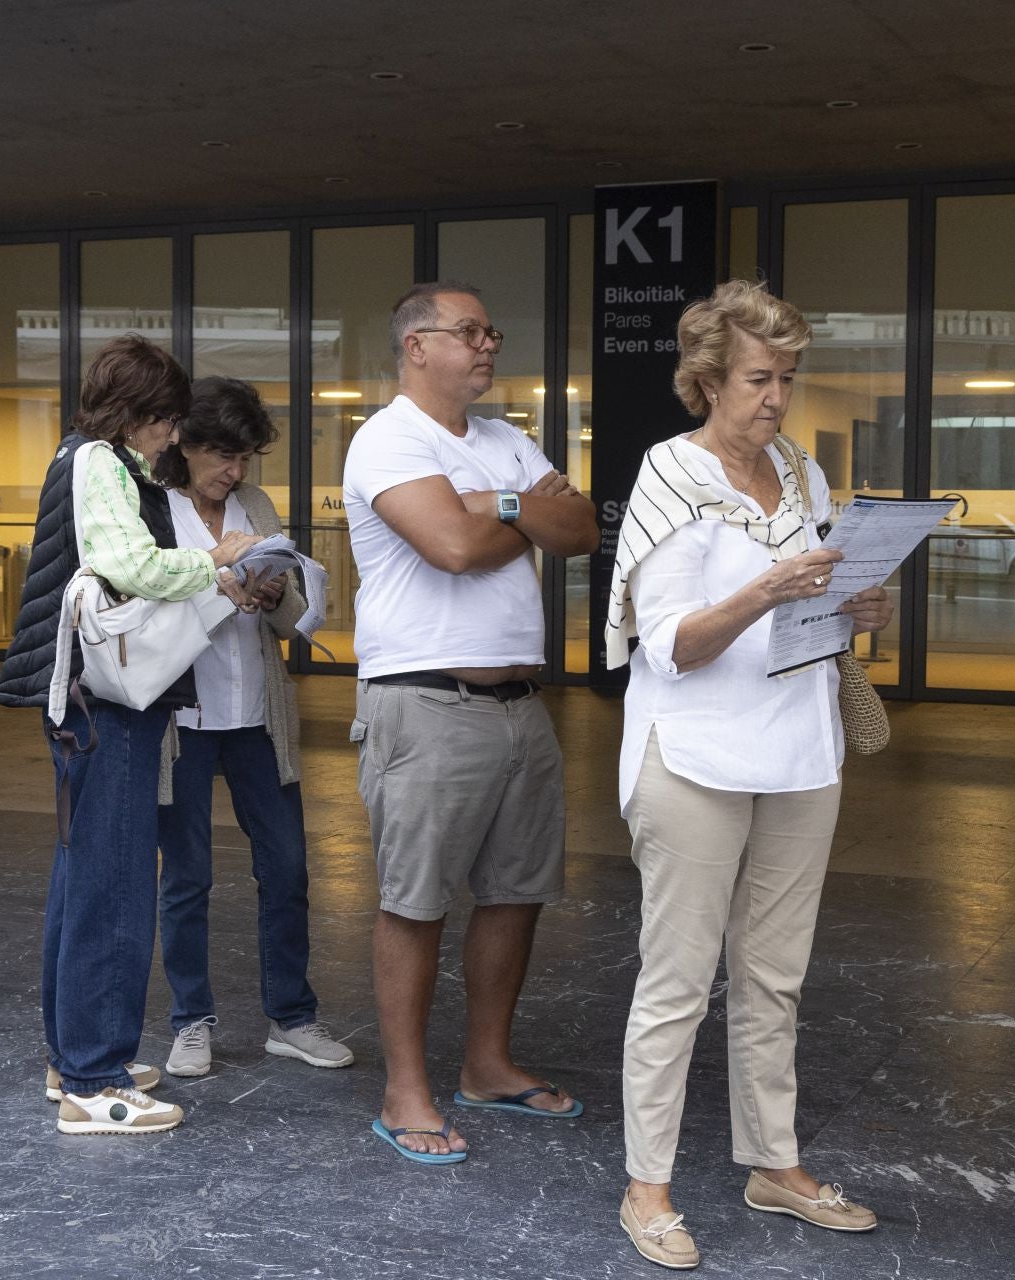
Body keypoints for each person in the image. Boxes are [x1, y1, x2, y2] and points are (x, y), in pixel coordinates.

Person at [601, 280, 894, 1268]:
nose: (778, 396)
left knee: (775, 975)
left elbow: (814, 603)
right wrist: (766, 585)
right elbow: (671, 641)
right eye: (761, 378)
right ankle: (649, 1185)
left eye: (789, 377)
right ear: (707, 379)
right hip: (693, 752)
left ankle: (774, 1161)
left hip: (800, 748)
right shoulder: (671, 478)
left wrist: (856, 608)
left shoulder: (804, 477)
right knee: (677, 979)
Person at [341, 281, 600, 1164]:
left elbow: (583, 527)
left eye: (492, 330)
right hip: (426, 704)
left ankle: (487, 1064)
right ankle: (403, 1089)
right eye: (468, 332)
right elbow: (449, 547)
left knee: (516, 893)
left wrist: (503, 503)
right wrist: (516, 509)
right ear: (416, 346)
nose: (488, 344)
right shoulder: (387, 439)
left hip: (521, 708)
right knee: (414, 900)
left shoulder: (503, 440)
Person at [0, 335, 260, 1136]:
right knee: (114, 886)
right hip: (106, 700)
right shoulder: (100, 462)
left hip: (81, 701)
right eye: (168, 420)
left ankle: (72, 1054)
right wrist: (214, 564)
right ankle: (93, 1079)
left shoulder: (87, 460)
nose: (173, 437)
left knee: (84, 880)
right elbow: (130, 565)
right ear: (143, 414)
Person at [152, 376, 353, 1077]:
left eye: (243, 458)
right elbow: (145, 608)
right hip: (183, 716)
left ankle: (291, 1018)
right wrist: (214, 583)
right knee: (187, 876)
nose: (233, 471)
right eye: (221, 455)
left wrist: (271, 593)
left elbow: (292, 619)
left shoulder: (256, 504)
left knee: (289, 866)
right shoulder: (155, 508)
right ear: (185, 444)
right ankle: (190, 1021)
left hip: (256, 715)